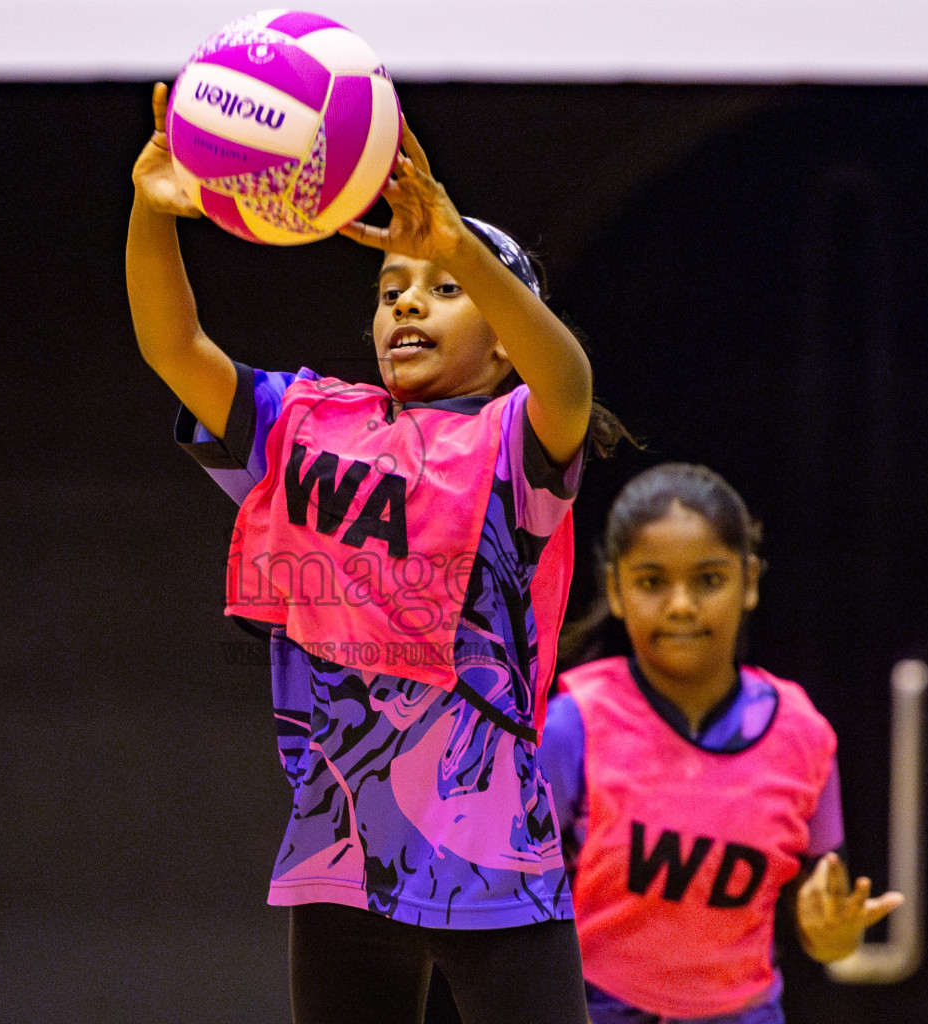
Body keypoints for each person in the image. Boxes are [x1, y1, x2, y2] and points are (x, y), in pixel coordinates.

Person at [128, 80, 630, 1024]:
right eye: (391, 289)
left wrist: (457, 247)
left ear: (503, 337)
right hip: (339, 850)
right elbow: (172, 344)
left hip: (492, 855)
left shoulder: (516, 443)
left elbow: (568, 377)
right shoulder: (305, 423)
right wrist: (151, 218)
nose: (409, 304)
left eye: (444, 291)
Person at [537, 462, 903, 1024]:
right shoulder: (572, 725)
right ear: (615, 588)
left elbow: (827, 937)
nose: (681, 604)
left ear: (749, 581)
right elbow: (514, 913)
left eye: (708, 579)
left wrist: (834, 934)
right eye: (652, 581)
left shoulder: (803, 735)